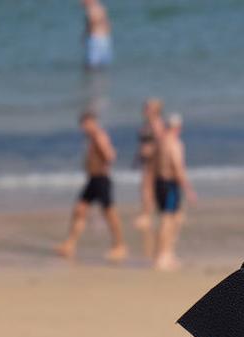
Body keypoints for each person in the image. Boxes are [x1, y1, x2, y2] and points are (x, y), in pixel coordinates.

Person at [56, 111, 127, 263]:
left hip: (101, 179)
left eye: (85, 124)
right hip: (92, 180)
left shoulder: (98, 136)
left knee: (109, 213)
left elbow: (110, 155)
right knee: (79, 210)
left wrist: (103, 163)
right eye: (82, 125)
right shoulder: (91, 138)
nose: (83, 128)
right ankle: (70, 244)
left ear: (92, 122)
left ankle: (120, 245)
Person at [152, 113, 196, 271]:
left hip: (159, 182)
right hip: (170, 184)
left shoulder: (161, 141)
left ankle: (167, 253)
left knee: (174, 218)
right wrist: (188, 189)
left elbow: (155, 164)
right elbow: (177, 167)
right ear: (178, 127)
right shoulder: (174, 143)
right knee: (168, 219)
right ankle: (162, 256)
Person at [133, 98, 164, 232]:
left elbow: (161, 142)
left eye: (147, 108)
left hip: (153, 160)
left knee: (147, 187)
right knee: (146, 187)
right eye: (145, 107)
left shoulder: (156, 124)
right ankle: (149, 214)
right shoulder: (147, 123)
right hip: (146, 160)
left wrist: (152, 152)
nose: (144, 110)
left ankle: (147, 216)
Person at [82, 0, 113, 70]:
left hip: (95, 39)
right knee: (104, 65)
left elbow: (90, 24)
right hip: (105, 39)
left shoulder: (90, 10)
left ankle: (92, 80)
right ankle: (104, 80)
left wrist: (84, 36)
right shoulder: (101, 8)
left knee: (91, 66)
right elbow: (108, 25)